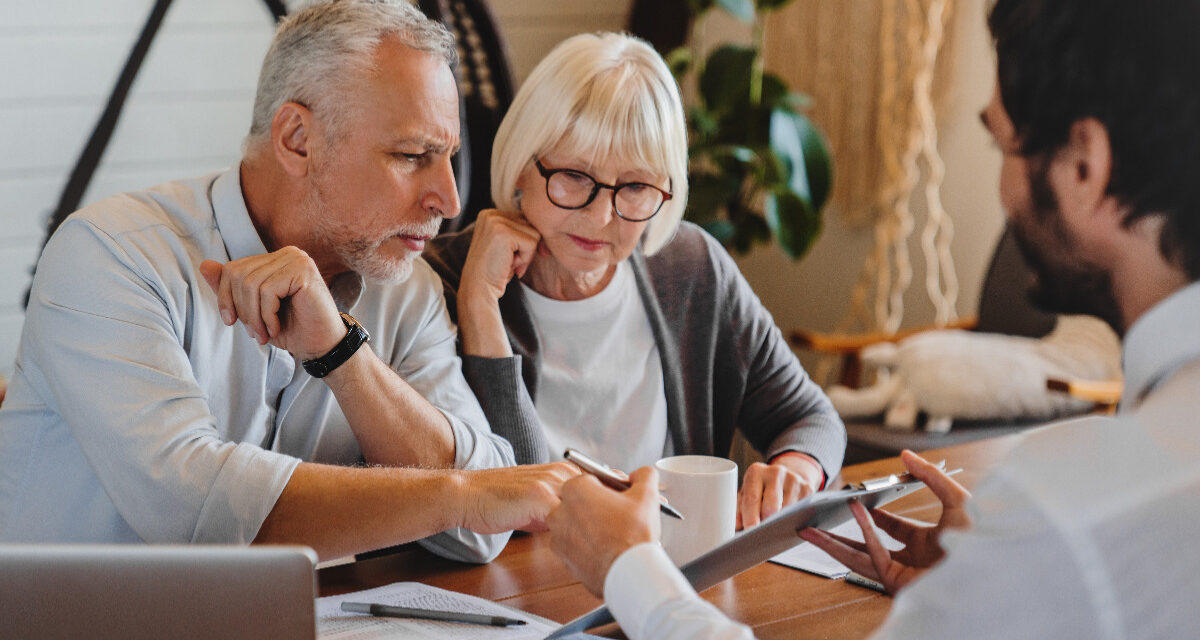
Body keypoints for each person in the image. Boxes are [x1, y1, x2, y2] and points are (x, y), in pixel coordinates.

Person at [546, 0, 1200, 636]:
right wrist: (982, 591)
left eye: (1003, 145)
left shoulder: (1069, 514)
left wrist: (631, 573)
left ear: (1086, 163)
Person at [0, 0, 578, 563]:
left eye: (447, 156)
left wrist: (343, 355)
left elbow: (481, 534)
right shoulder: (111, 255)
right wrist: (457, 496)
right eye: (411, 155)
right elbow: (193, 512)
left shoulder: (408, 289)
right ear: (297, 140)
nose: (448, 199)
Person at [424, 32, 846, 528]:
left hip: (666, 578)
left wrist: (796, 468)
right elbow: (507, 499)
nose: (602, 216)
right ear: (521, 164)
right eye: (575, 176)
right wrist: (479, 308)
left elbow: (811, 419)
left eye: (637, 187)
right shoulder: (442, 280)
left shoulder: (689, 267)